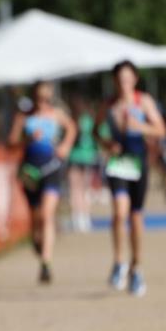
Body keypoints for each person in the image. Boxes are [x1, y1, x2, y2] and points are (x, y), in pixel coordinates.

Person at [97, 61, 166, 297]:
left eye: (128, 78)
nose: (123, 83)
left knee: (136, 215)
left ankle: (136, 268)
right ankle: (119, 263)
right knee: (119, 212)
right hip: (118, 163)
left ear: (135, 80)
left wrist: (140, 126)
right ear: (114, 81)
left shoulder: (143, 101)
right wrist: (107, 143)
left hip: (139, 163)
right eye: (119, 79)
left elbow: (161, 130)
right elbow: (96, 130)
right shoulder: (108, 105)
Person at [8, 81, 76, 282]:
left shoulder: (56, 115)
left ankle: (46, 263)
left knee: (47, 215)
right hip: (30, 172)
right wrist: (27, 140)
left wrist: (65, 146)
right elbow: (11, 143)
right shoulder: (24, 117)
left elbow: (72, 128)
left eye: (45, 97)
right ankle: (37, 239)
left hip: (52, 169)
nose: (42, 102)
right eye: (39, 97)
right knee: (35, 216)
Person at [66, 95, 100, 232]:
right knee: (85, 189)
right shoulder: (89, 120)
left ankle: (77, 217)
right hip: (87, 157)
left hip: (75, 157)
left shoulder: (73, 120)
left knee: (75, 189)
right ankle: (85, 217)